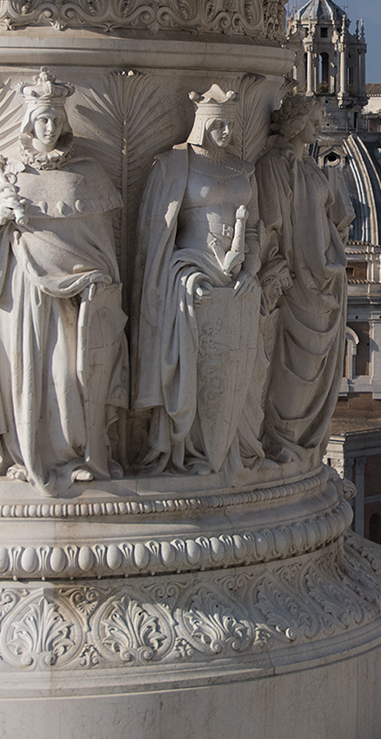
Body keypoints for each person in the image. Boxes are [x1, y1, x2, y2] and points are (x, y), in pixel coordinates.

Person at [0, 70, 128, 491]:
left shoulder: (87, 174)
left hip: (74, 299)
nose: (49, 128)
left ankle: (74, 454)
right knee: (23, 374)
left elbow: (100, 244)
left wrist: (97, 280)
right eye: (42, 120)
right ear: (29, 123)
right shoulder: (4, 173)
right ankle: (21, 453)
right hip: (20, 292)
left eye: (55, 119)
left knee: (67, 377)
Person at [137, 84, 266, 476]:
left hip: (238, 286)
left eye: (231, 125)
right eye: (219, 125)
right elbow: (159, 233)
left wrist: (250, 269)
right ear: (202, 124)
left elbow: (255, 230)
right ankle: (190, 450)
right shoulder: (175, 165)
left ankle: (225, 450)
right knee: (194, 367)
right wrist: (185, 274)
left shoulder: (244, 169)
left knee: (234, 371)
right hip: (190, 277)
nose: (227, 133)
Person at [254, 95, 353, 462]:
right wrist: (274, 265)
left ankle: (299, 442)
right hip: (297, 277)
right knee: (295, 365)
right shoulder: (274, 165)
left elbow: (324, 216)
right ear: (295, 124)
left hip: (325, 275)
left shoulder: (311, 166)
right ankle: (281, 439)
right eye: (313, 121)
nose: (318, 127)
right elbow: (272, 224)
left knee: (315, 368)